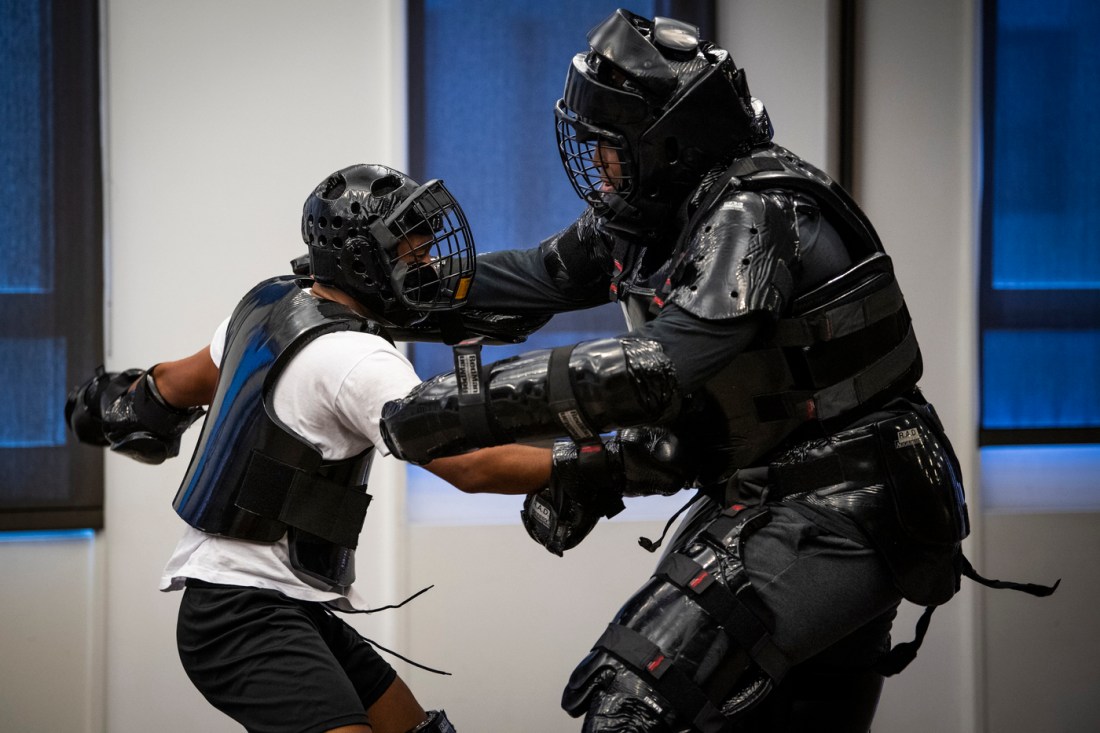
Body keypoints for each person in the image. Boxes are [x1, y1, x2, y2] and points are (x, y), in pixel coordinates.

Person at [379, 10, 1055, 732]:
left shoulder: (757, 211)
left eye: (613, 145)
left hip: (845, 505)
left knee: (630, 708)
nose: (599, 161)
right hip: (771, 494)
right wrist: (379, 290)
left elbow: (656, 367)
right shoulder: (650, 213)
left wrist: (468, 402)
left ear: (669, 143)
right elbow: (536, 277)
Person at [64, 164, 555, 733]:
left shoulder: (264, 307)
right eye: (411, 254)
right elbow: (469, 465)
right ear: (360, 258)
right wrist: (605, 464)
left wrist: (111, 406)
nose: (427, 268)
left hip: (281, 605)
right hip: (240, 618)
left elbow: (172, 387)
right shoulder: (359, 359)